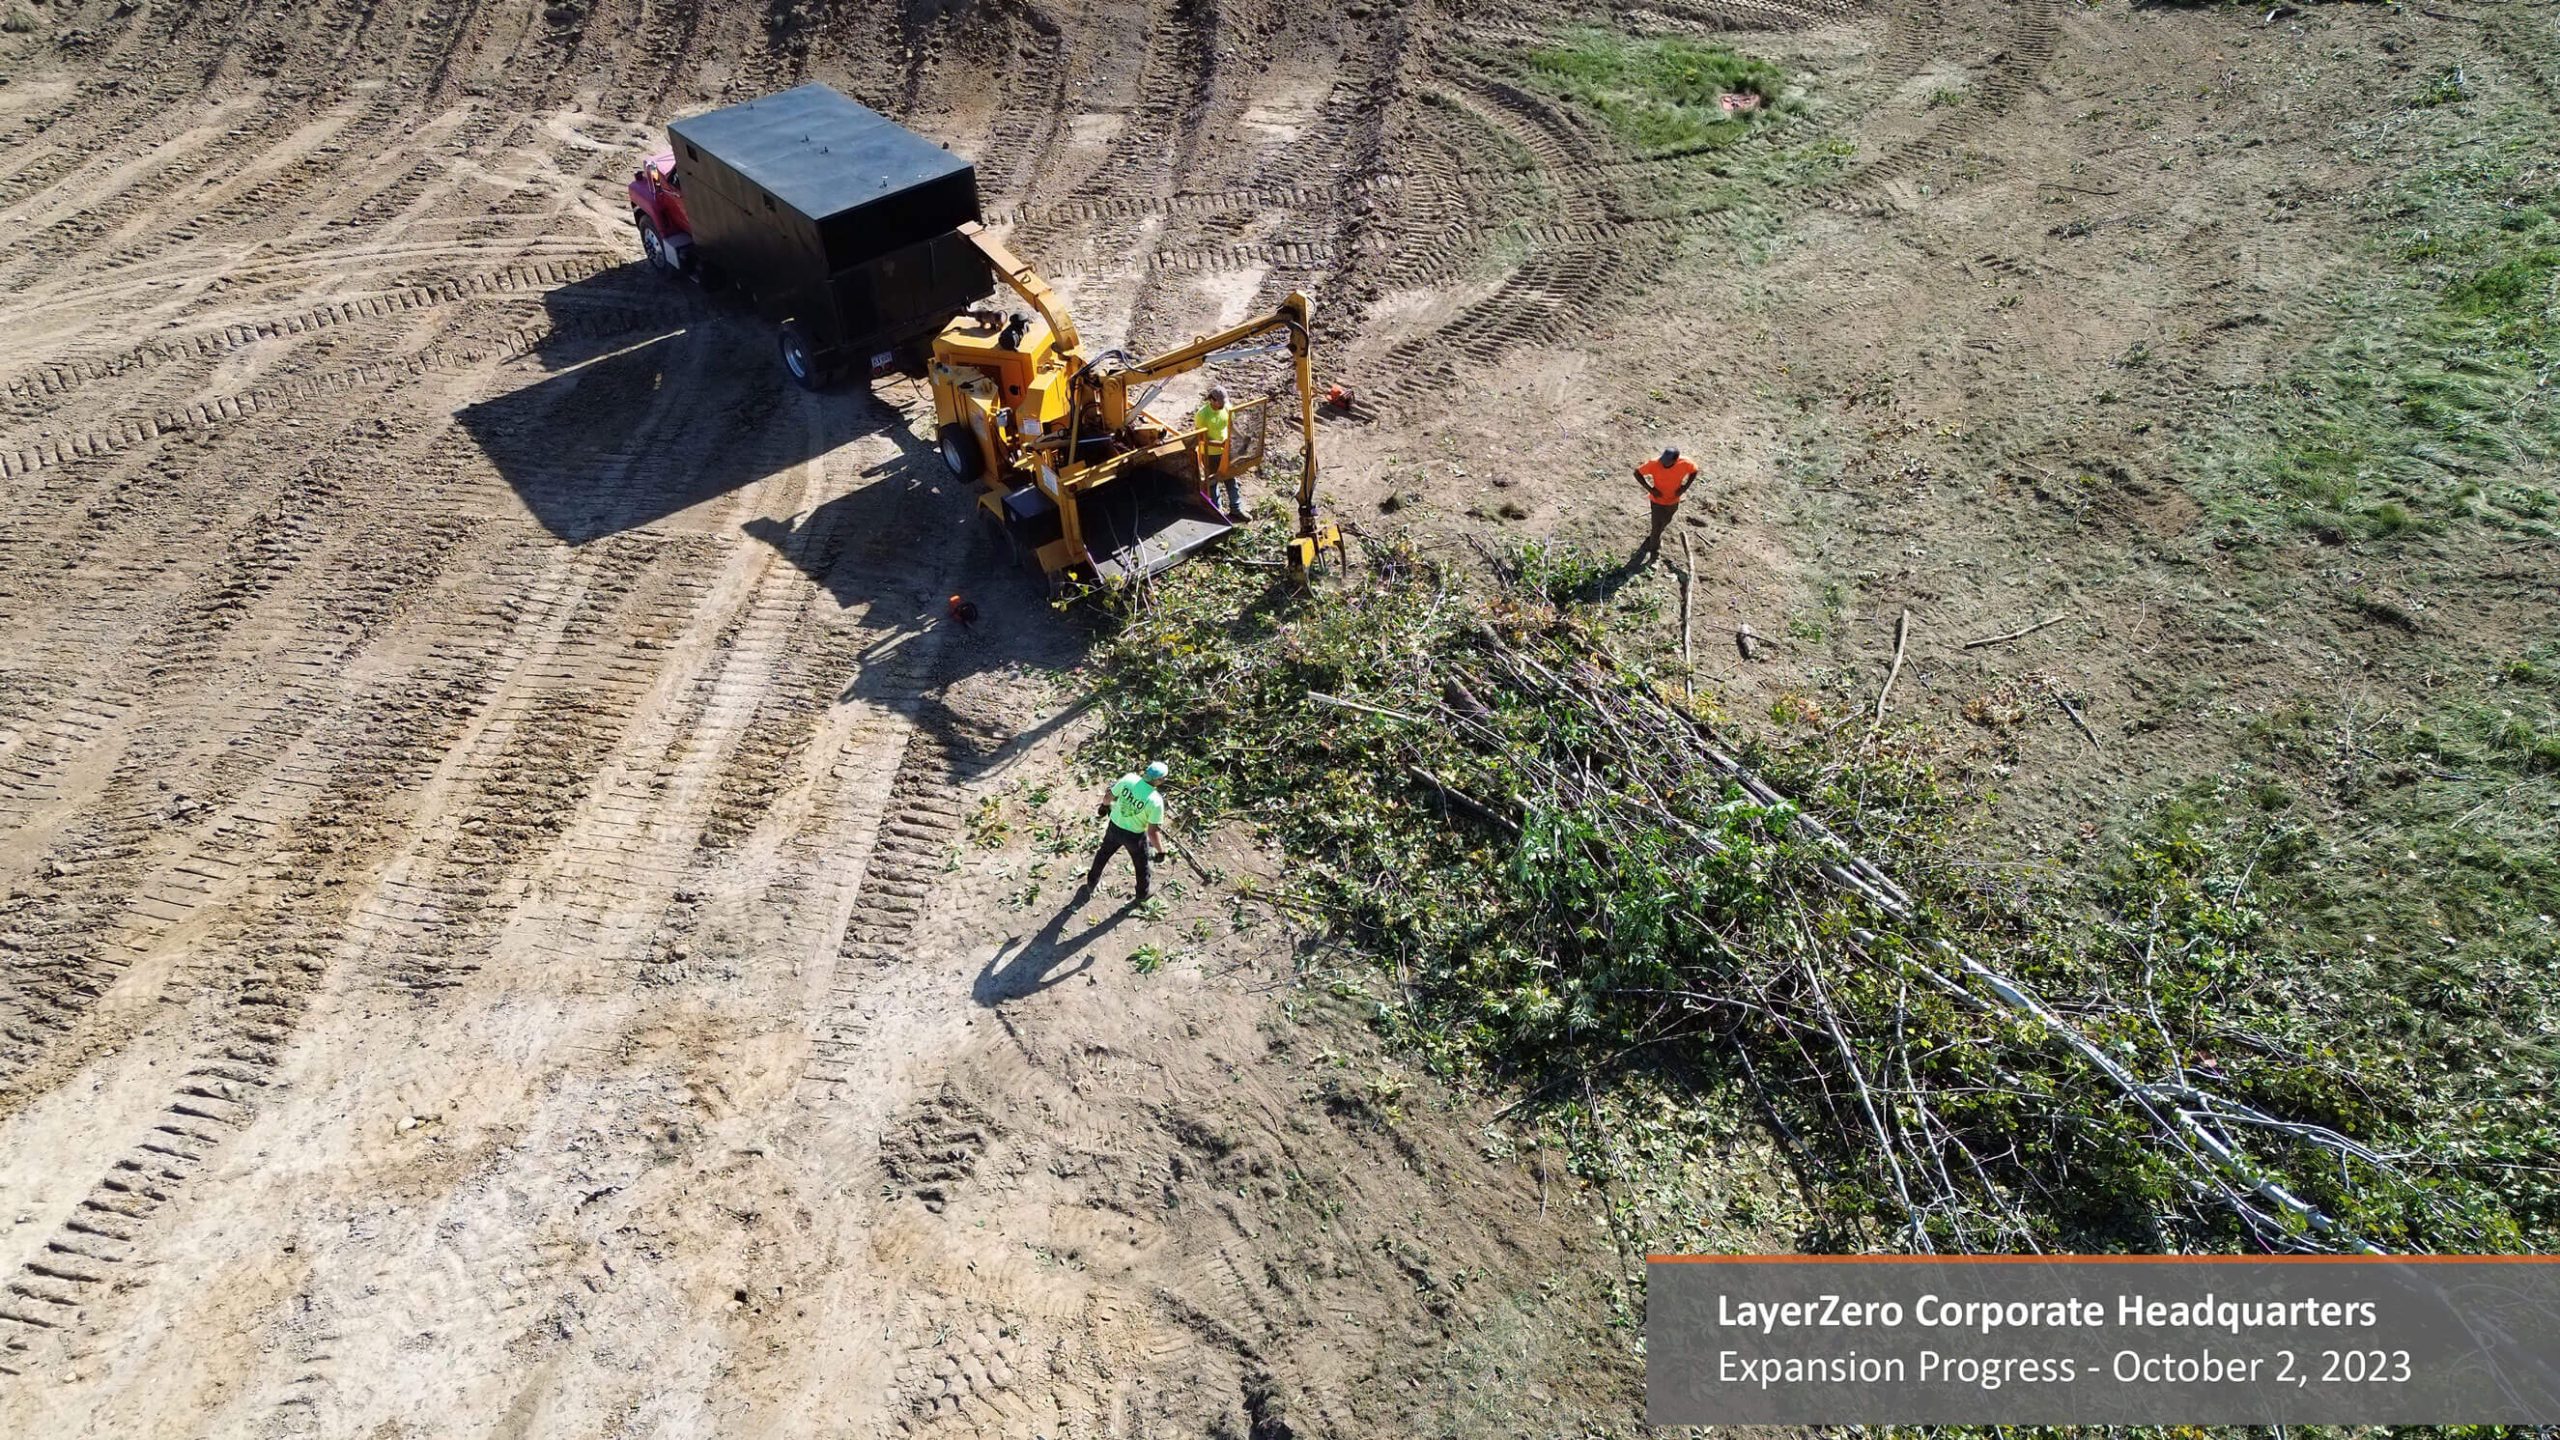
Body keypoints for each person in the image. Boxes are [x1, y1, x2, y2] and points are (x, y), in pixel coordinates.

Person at [1078, 760, 1168, 904]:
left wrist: (1103, 807)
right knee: (1141, 865)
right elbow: (1152, 832)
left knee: (1103, 854)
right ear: (1158, 780)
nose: (1164, 780)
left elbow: (1109, 796)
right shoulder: (1155, 801)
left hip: (1114, 827)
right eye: (1164, 778)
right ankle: (1142, 893)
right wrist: (1161, 851)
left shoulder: (1129, 779)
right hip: (1134, 837)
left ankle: (1091, 882)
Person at [1632, 447, 1700, 565]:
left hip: (1673, 501)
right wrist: (1651, 489)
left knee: (1666, 521)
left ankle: (1654, 536)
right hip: (1657, 501)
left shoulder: (1685, 463)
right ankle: (1654, 551)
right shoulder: (1654, 463)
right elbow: (1637, 472)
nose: (1662, 463)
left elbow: (1694, 471)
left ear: (1675, 460)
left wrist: (1685, 487)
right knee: (1656, 527)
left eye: (1666, 462)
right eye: (1662, 459)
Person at [1194, 387, 1240, 518]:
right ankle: (1218, 513)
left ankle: (1236, 509)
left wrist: (1240, 437)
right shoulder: (1202, 414)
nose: (1223, 404)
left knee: (1230, 478)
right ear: (1212, 400)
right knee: (1213, 482)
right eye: (1220, 402)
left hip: (1225, 452)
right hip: (1210, 454)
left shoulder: (1226, 408)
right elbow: (1200, 438)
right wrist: (1219, 444)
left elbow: (1232, 426)